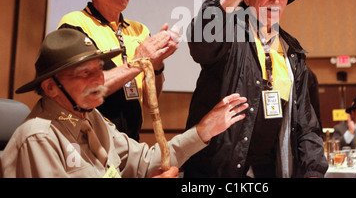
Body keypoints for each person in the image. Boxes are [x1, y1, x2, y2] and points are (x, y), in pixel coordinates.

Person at [0, 29, 248, 178]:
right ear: (50, 87)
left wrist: (205, 130)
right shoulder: (39, 137)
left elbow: (144, 162)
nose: (98, 79)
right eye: (84, 73)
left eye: (99, 69)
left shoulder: (91, 117)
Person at [183, 0, 328, 178]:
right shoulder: (229, 34)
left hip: (270, 170)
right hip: (217, 170)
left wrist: (314, 172)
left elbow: (306, 124)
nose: (276, 0)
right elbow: (201, 40)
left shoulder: (292, 53)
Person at [58, 0, 179, 141]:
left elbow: (151, 101)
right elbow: (83, 91)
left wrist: (157, 66)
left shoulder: (139, 30)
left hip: (131, 143)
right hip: (89, 142)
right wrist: (138, 62)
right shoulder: (75, 24)